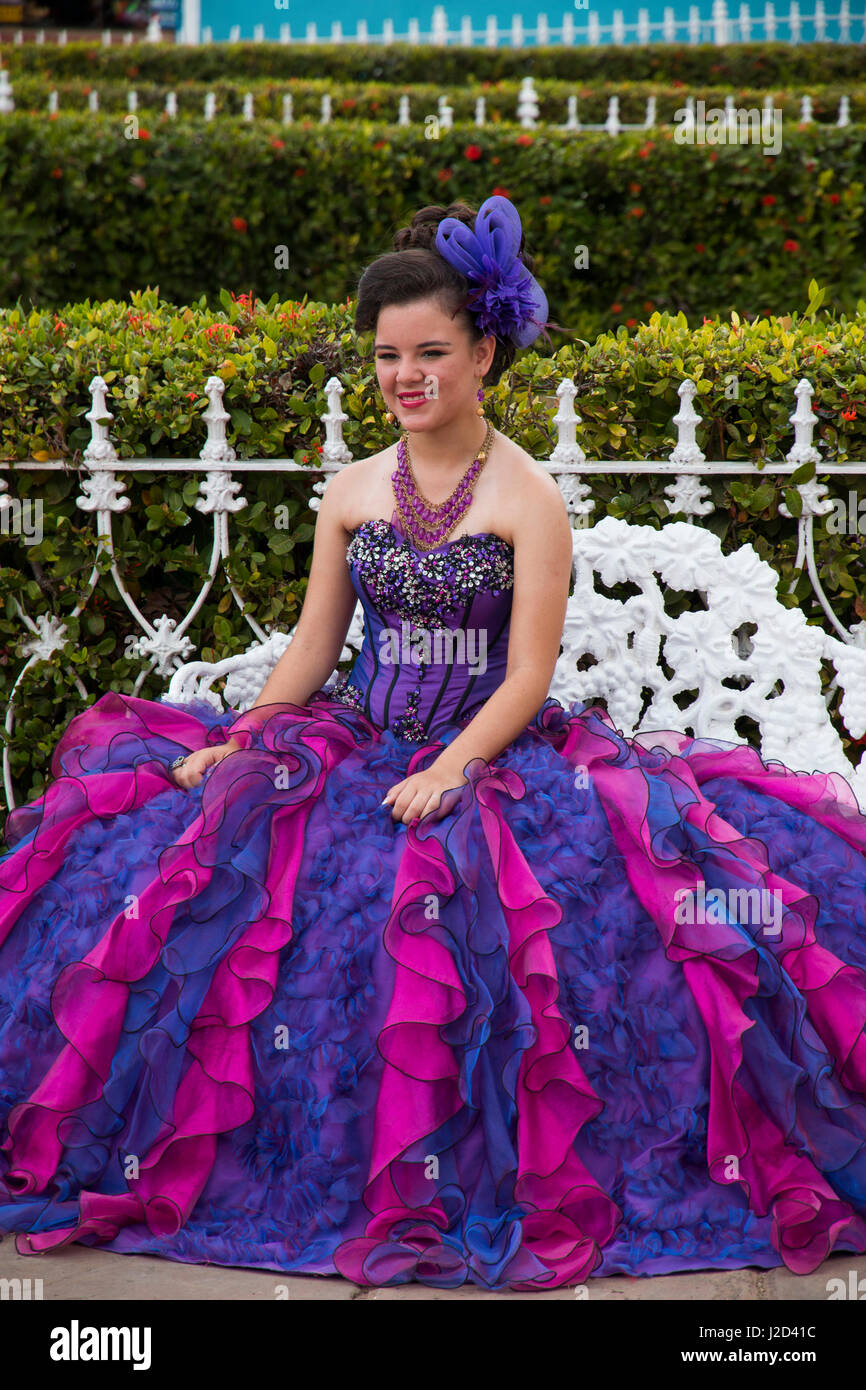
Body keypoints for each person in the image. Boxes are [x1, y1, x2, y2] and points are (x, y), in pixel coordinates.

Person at [2, 194, 866, 1293]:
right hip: (349, 740)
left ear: (484, 351)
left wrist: (456, 765)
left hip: (494, 756)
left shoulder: (526, 497)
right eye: (384, 357)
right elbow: (316, 644)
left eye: (429, 353)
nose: (405, 377)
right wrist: (248, 737)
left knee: (567, 934)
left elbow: (527, 673)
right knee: (185, 882)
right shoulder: (352, 489)